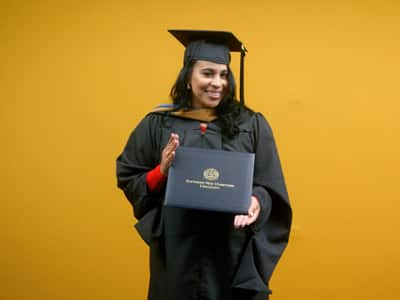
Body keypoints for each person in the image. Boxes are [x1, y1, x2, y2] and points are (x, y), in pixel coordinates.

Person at [116, 30, 292, 300]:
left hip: (232, 251)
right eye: (207, 73)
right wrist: (160, 171)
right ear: (188, 76)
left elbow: (271, 187)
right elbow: (130, 177)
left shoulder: (251, 124)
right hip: (178, 252)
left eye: (223, 75)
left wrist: (257, 200)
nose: (217, 83)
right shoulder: (159, 123)